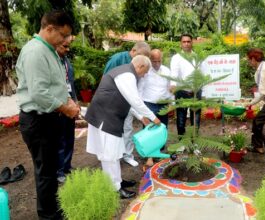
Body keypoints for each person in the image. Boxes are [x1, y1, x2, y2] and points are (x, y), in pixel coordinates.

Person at [16, 10, 79, 219]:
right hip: (38, 120)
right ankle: (48, 216)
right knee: (46, 172)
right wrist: (64, 107)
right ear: (49, 29)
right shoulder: (35, 52)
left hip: (48, 117)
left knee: (50, 169)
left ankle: (52, 209)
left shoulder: (49, 50)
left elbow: (54, 85)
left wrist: (67, 100)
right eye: (63, 35)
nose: (65, 39)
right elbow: (38, 92)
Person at [85, 55, 161, 199]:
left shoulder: (126, 73)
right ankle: (114, 188)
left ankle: (117, 181)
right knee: (109, 155)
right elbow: (135, 100)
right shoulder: (127, 75)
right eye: (145, 72)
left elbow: (129, 101)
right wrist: (153, 118)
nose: (144, 76)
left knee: (115, 152)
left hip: (109, 117)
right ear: (140, 66)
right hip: (105, 117)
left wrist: (141, 117)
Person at [103, 42, 151, 167]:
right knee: (113, 131)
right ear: (133, 50)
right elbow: (106, 78)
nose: (142, 60)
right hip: (113, 101)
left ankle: (127, 155)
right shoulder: (118, 59)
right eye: (141, 55)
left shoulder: (140, 65)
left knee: (127, 129)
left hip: (128, 101)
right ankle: (114, 156)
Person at [139, 49, 173, 167]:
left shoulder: (167, 71)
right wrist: (141, 108)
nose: (157, 64)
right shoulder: (146, 71)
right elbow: (140, 89)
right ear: (150, 60)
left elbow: (171, 88)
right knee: (149, 130)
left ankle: (158, 152)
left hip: (163, 104)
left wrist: (172, 104)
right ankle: (149, 156)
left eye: (159, 61)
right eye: (154, 61)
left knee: (162, 129)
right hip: (149, 104)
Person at [170, 34, 201, 136]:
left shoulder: (197, 57)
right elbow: (174, 73)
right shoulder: (176, 58)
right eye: (184, 42)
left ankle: (195, 143)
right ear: (180, 44)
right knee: (181, 118)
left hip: (196, 92)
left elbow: (201, 74)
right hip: (181, 91)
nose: (186, 44)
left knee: (196, 119)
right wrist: (173, 86)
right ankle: (181, 143)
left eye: (188, 41)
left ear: (192, 43)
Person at [56, 37, 77, 183]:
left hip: (70, 104)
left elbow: (70, 83)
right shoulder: (52, 61)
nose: (67, 49)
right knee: (60, 140)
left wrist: (75, 100)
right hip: (59, 107)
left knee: (70, 138)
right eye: (65, 46)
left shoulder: (66, 61)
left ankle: (67, 166)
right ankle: (59, 171)